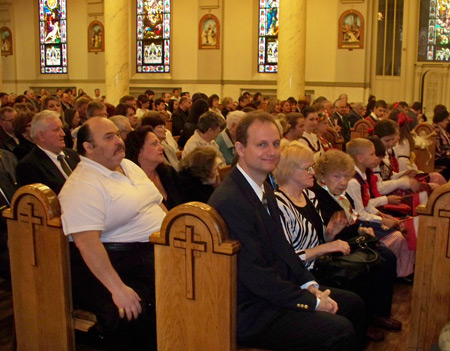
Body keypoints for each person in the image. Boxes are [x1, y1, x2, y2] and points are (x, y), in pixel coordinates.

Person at [208, 111, 366, 351]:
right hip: (251, 308)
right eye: (261, 145)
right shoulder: (231, 199)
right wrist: (310, 301)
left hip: (273, 291)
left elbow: (283, 248)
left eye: (274, 143)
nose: (272, 152)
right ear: (240, 148)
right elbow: (255, 274)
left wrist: (308, 285)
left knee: (353, 303)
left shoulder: (264, 188)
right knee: (339, 330)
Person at [273, 141, 399, 342]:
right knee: (355, 292)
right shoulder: (278, 205)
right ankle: (356, 333)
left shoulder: (308, 195)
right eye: (307, 168)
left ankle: (366, 325)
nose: (312, 172)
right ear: (289, 171)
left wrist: (331, 233)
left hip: (319, 263)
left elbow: (320, 236)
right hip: (301, 274)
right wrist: (328, 245)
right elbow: (287, 258)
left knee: (369, 269)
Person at [59, 117, 166, 350]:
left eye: (118, 134)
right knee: (143, 304)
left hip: (154, 251)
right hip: (119, 260)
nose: (119, 141)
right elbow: (86, 244)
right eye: (109, 137)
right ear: (88, 147)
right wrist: (118, 289)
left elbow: (157, 204)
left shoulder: (129, 166)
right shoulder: (83, 185)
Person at [345, 139, 415, 278]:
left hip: (366, 217)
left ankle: (402, 271)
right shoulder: (353, 181)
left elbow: (367, 204)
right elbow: (359, 213)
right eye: (371, 154)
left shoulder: (362, 174)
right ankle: (387, 271)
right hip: (359, 223)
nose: (375, 157)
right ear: (360, 158)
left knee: (406, 227)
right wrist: (381, 220)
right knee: (398, 235)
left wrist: (383, 216)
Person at [16, 110, 80, 195]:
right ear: (41, 136)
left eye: (62, 128)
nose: (63, 134)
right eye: (56, 130)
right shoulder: (29, 166)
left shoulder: (72, 155)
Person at [125, 126, 184, 210]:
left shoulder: (168, 173)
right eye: (155, 144)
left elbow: (186, 202)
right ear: (139, 151)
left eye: (159, 143)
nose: (162, 147)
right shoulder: (133, 183)